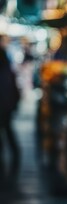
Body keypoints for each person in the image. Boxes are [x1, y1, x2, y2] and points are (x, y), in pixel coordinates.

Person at [0, 37, 20, 176]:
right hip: (7, 105)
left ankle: (12, 156)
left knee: (6, 131)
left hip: (4, 105)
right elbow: (15, 89)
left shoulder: (5, 72)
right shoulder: (8, 71)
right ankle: (16, 154)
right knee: (8, 130)